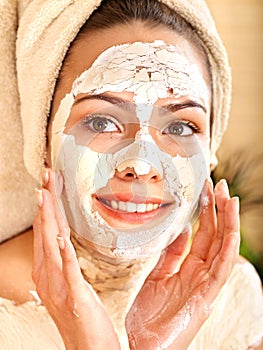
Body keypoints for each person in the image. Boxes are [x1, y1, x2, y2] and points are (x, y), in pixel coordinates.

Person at [0, 0, 262, 349]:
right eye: (101, 122)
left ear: (210, 148)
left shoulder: (233, 296)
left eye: (181, 126)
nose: (141, 165)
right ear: (42, 141)